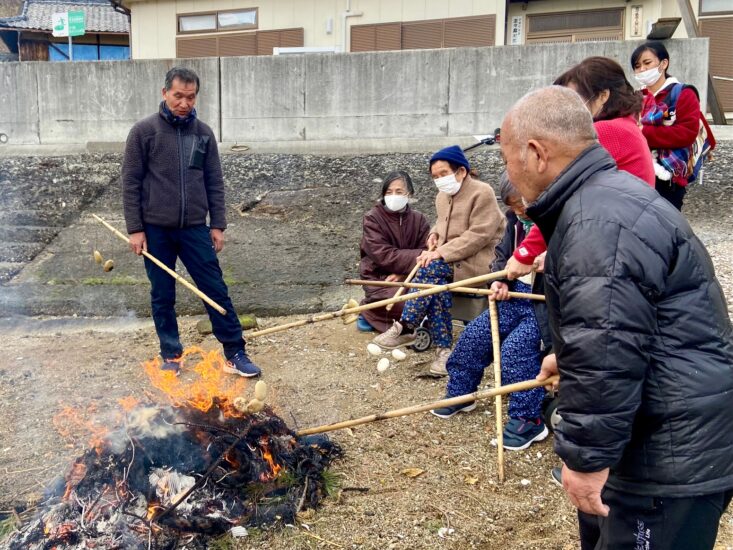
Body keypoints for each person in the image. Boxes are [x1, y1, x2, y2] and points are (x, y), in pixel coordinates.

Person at [502, 85, 733, 550]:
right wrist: (567, 364)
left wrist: (586, 462)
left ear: (534, 153)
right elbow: (622, 328)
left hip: (669, 454)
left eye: (507, 159)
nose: (507, 171)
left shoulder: (597, 223)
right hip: (662, 427)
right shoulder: (607, 199)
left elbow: (606, 351)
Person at [122, 67, 260, 378]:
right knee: (162, 294)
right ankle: (171, 353)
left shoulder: (204, 133)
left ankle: (234, 351)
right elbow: (130, 182)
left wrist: (218, 224)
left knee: (215, 289)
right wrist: (135, 229)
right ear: (165, 93)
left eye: (190, 96)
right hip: (155, 229)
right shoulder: (143, 132)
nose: (184, 103)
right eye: (178, 96)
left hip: (195, 227)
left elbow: (214, 181)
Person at [506, 55, 655, 280]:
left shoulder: (607, 132)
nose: (568, 110)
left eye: (574, 101)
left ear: (603, 96)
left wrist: (525, 253)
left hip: (612, 244)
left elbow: (559, 197)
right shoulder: (627, 127)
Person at [430, 173, 548, 451]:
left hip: (543, 305)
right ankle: (461, 392)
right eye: (514, 208)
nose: (519, 213)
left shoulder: (556, 223)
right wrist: (498, 280)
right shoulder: (514, 222)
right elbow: (500, 258)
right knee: (474, 335)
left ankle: (528, 419)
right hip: (513, 299)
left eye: (523, 206)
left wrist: (549, 261)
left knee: (516, 350)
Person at [372, 146, 505, 376]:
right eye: (435, 176)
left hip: (478, 263)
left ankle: (407, 326)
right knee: (435, 288)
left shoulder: (482, 192)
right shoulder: (442, 197)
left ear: (461, 171)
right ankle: (444, 352)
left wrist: (440, 253)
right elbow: (443, 224)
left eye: (444, 174)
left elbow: (479, 235)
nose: (440, 180)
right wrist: (434, 233)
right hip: (450, 265)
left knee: (430, 267)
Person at [632, 41, 702, 210]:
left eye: (647, 63)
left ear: (664, 63)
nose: (642, 70)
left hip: (670, 175)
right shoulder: (636, 97)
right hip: (639, 171)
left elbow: (687, 133)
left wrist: (643, 132)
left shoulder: (684, 94)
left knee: (667, 224)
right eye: (637, 66)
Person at [357, 171, 430, 333]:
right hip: (380, 278)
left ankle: (388, 316)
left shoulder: (419, 219)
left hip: (411, 277)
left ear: (409, 193)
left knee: (431, 297)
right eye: (389, 192)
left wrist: (404, 275)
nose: (393, 196)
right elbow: (383, 254)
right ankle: (368, 310)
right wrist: (417, 258)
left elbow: (428, 251)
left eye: (399, 192)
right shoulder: (372, 218)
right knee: (405, 305)